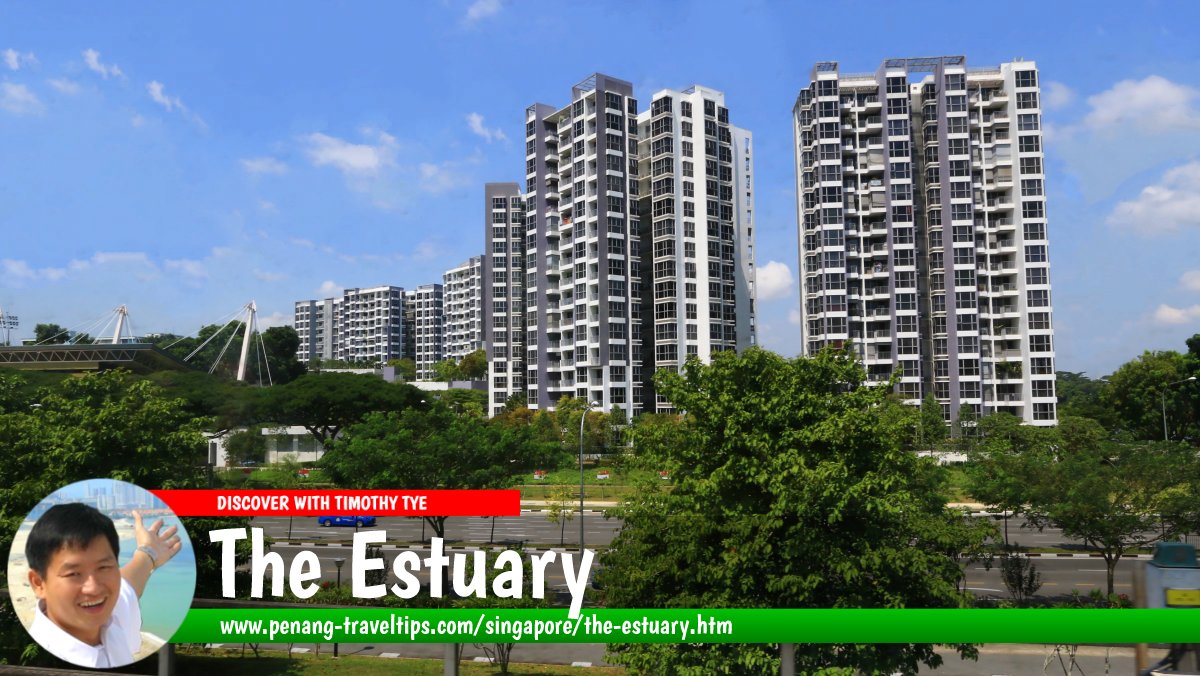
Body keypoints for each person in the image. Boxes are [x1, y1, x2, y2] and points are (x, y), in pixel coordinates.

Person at [24, 503, 182, 668]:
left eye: (103, 567)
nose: (94, 588)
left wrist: (149, 552)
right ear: (38, 583)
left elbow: (128, 584)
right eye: (73, 574)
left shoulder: (110, 618)